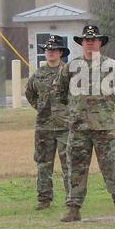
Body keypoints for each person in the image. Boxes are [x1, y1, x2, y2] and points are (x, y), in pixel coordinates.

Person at [54, 25, 115, 222]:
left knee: (111, 168)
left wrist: (105, 102)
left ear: (100, 42)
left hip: (103, 128)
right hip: (78, 128)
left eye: (94, 39)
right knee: (76, 169)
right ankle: (74, 209)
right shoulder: (71, 67)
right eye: (86, 40)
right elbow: (59, 92)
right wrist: (75, 106)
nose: (90, 42)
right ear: (82, 43)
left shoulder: (112, 66)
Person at [25, 35, 70, 210]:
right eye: (48, 49)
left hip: (65, 126)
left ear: (60, 53)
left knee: (69, 164)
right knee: (44, 163)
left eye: (54, 50)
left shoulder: (68, 72)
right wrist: (42, 108)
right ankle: (44, 198)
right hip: (44, 127)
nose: (50, 52)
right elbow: (30, 94)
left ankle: (71, 197)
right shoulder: (38, 74)